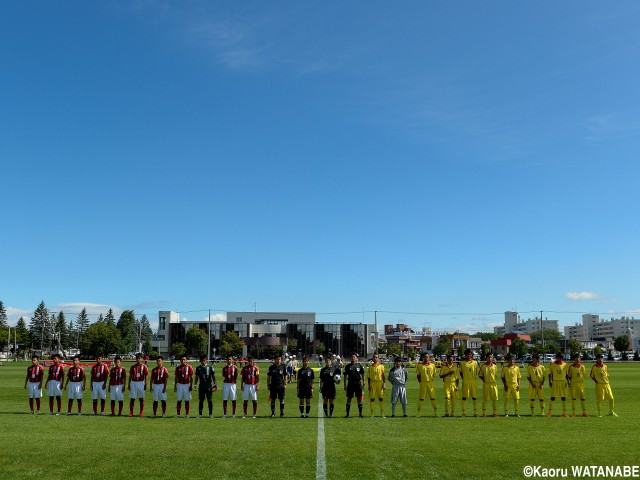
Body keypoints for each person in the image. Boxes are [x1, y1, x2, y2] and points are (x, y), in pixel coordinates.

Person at [343, 353, 365, 418]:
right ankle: (347, 414)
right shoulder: (347, 366)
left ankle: (360, 414)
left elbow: (363, 374)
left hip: (358, 383)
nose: (353, 358)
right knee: (349, 398)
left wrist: (364, 383)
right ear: (350, 358)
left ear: (356, 358)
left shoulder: (359, 365)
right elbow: (345, 375)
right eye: (352, 357)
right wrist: (345, 384)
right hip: (350, 383)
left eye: (354, 357)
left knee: (359, 398)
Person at [459, 349, 479, 417]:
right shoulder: (462, 363)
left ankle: (475, 412)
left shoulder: (475, 363)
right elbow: (460, 372)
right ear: (465, 355)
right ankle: (463, 412)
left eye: (470, 354)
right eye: (468, 354)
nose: (469, 355)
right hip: (466, 381)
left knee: (474, 397)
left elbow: (476, 372)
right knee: (464, 397)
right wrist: (464, 378)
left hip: (473, 381)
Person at [547, 352, 568, 417]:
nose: (560, 359)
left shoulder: (565, 364)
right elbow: (550, 374)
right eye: (559, 358)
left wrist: (568, 382)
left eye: (561, 358)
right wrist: (550, 382)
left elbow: (566, 374)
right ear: (556, 357)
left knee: (563, 397)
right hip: (555, 381)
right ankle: (549, 412)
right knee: (553, 397)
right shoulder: (552, 364)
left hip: (563, 382)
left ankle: (564, 412)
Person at [567, 353, 587, 417]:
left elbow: (584, 375)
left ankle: (584, 412)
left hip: (580, 384)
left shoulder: (583, 366)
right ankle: (574, 413)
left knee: (583, 398)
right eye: (577, 358)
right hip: (573, 384)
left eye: (579, 358)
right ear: (574, 359)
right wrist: (569, 382)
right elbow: (569, 376)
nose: (578, 359)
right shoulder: (571, 367)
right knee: (574, 398)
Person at [367, 352, 386, 417]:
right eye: (374, 357)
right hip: (372, 383)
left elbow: (383, 376)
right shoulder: (370, 367)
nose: (375, 358)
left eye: (376, 357)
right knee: (372, 398)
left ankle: (382, 413)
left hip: (379, 383)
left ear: (378, 358)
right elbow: (369, 377)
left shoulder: (381, 366)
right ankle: (372, 413)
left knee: (381, 398)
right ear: (372, 358)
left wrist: (384, 383)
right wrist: (369, 385)